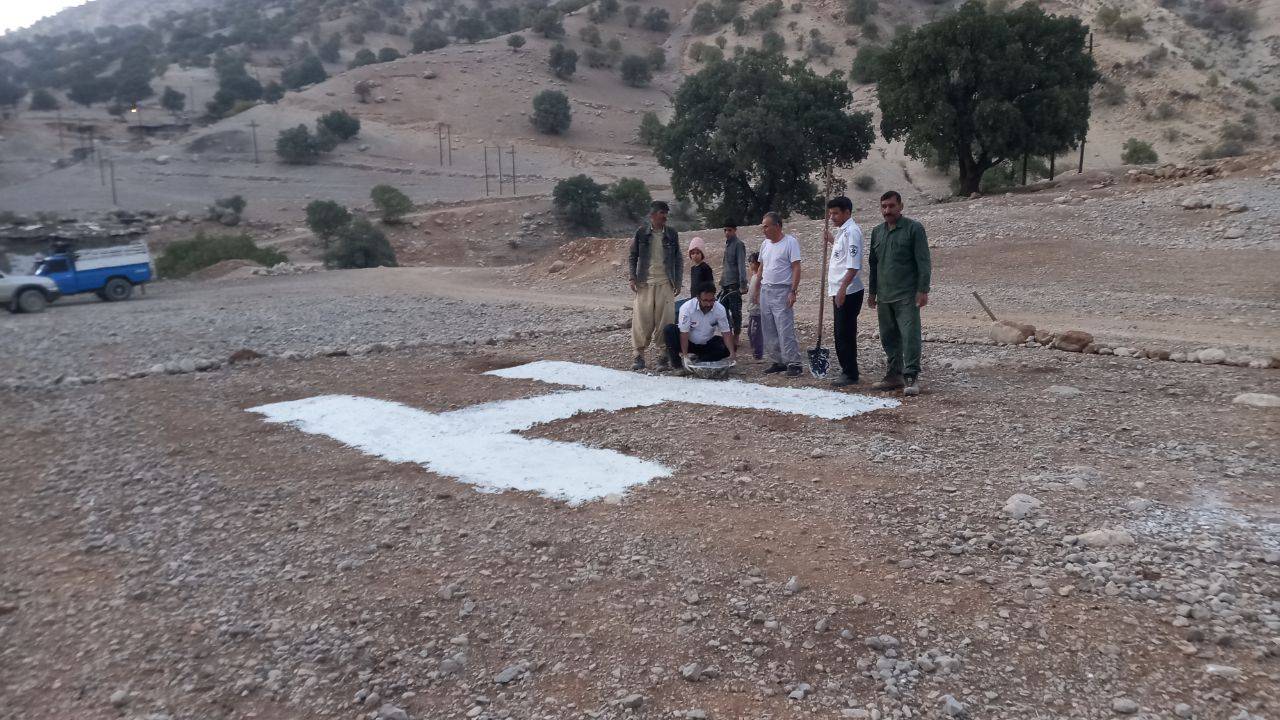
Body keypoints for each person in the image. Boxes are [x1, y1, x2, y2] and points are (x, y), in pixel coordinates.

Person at [868, 190, 931, 397]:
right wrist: (872, 292)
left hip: (907, 294)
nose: (887, 210)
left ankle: (911, 376)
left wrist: (923, 290)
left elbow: (923, 261)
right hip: (884, 295)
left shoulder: (914, 229)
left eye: (891, 206)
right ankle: (894, 374)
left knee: (910, 335)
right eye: (884, 206)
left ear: (901, 207)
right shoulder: (877, 232)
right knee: (888, 336)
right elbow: (873, 264)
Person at [628, 200, 682, 371]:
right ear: (652, 215)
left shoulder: (672, 234)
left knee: (665, 321)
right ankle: (638, 356)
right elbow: (632, 256)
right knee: (641, 320)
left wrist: (678, 282)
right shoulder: (641, 233)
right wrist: (632, 278)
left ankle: (663, 357)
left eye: (666, 213)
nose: (665, 216)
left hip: (665, 283)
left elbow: (678, 258)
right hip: (644, 283)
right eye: (661, 213)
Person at [823, 196, 864, 387]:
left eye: (835, 213)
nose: (832, 217)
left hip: (848, 291)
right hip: (839, 290)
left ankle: (850, 373)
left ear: (847, 212)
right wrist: (832, 240)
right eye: (830, 213)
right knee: (841, 332)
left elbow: (853, 265)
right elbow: (843, 254)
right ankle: (847, 369)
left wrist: (842, 289)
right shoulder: (843, 232)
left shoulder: (852, 232)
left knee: (844, 333)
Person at [757, 211, 803, 377]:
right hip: (766, 289)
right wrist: (756, 288)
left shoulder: (790, 242)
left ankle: (794, 362)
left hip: (782, 290)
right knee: (768, 327)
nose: (764, 230)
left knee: (784, 328)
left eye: (766, 226)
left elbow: (796, 267)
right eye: (763, 227)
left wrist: (793, 291)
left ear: (777, 226)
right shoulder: (765, 244)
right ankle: (778, 361)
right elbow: (761, 267)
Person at [663, 282, 735, 373]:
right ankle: (677, 365)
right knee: (669, 330)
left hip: (705, 344)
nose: (709, 304)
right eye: (705, 300)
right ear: (698, 298)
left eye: (711, 300)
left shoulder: (720, 309)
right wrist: (685, 355)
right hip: (687, 342)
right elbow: (684, 333)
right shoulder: (687, 308)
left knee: (729, 347)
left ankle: (700, 360)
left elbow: (726, 333)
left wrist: (732, 354)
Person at [719, 222, 748, 343]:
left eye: (729, 230)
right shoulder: (727, 244)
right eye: (725, 230)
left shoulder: (738, 244)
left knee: (735, 311)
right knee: (723, 311)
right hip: (725, 283)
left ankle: (736, 335)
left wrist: (743, 284)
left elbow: (741, 265)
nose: (727, 233)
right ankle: (728, 334)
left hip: (734, 284)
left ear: (735, 230)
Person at [745, 252, 764, 360]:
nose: (750, 265)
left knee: (756, 332)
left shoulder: (760, 278)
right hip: (752, 310)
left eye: (752, 262)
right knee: (750, 332)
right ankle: (755, 351)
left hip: (757, 310)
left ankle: (758, 353)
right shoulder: (754, 277)